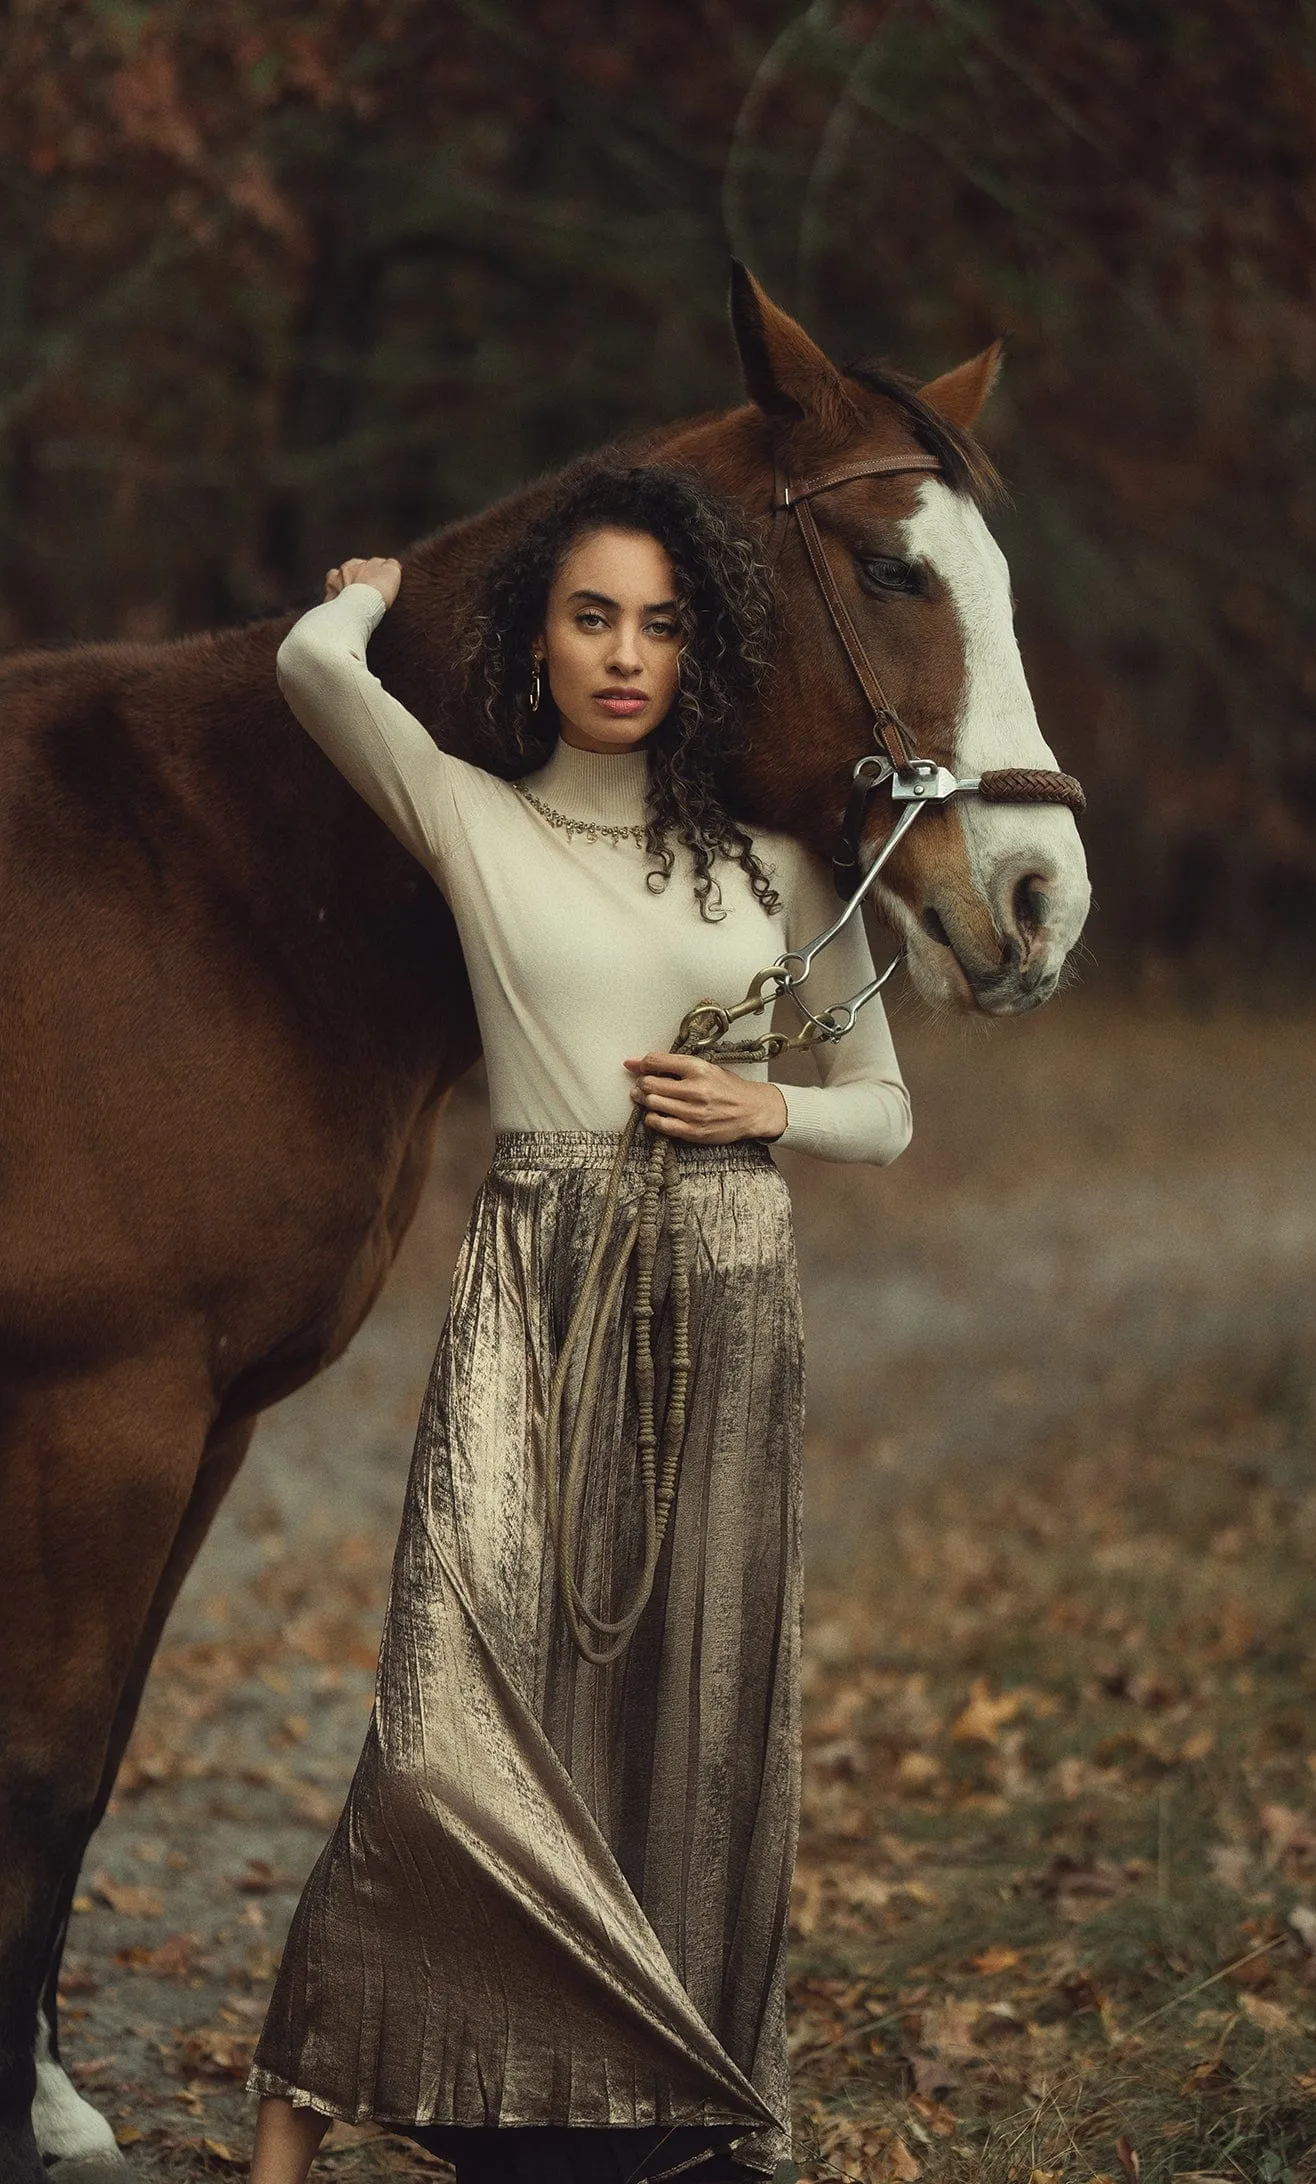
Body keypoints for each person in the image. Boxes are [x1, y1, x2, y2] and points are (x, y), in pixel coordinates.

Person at [243, 459, 912, 2184]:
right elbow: (316, 675)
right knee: (454, 1685)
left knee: (694, 1707)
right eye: (593, 618)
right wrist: (372, 591)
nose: (627, 654)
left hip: (728, 1289)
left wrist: (771, 1115)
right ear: (540, 643)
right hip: (537, 1282)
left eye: (663, 626)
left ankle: (669, 2104)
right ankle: (296, 2110)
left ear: (700, 655)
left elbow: (884, 1107)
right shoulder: (476, 814)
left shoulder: (774, 868)